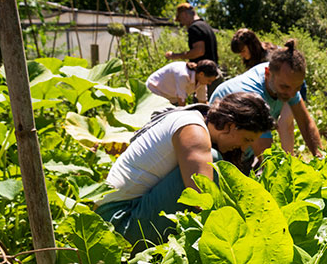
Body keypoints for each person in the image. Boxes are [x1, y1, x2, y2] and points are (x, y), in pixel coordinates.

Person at [96, 92, 274, 250]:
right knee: (214, 164)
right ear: (230, 126)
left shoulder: (195, 118)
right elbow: (201, 201)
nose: (243, 148)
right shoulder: (193, 131)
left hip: (112, 218)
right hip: (118, 224)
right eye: (246, 139)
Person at [210, 39, 322, 157]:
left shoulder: (286, 80)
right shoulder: (253, 95)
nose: (291, 94)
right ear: (268, 74)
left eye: (297, 88)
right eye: (285, 87)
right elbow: (264, 153)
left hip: (242, 151)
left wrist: (320, 157)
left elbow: (305, 122)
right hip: (218, 150)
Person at [146, 60, 220, 106]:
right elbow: (182, 103)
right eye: (209, 80)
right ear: (201, 74)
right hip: (154, 91)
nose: (209, 83)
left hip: (170, 97)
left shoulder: (201, 81)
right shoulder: (183, 75)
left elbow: (202, 101)